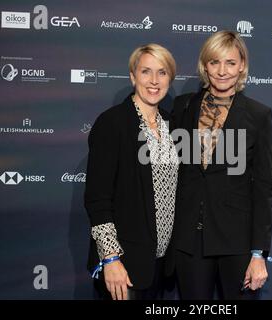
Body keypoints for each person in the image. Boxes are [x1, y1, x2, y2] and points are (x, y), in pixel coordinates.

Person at [170, 31, 272, 300]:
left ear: (242, 65)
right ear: (205, 65)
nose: (222, 71)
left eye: (230, 62)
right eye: (215, 62)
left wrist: (258, 253)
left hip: (237, 244)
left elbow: (263, 189)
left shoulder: (258, 115)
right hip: (189, 242)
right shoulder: (182, 107)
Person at [84, 44, 178, 300]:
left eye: (162, 72)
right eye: (146, 71)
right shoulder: (113, 123)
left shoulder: (173, 126)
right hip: (124, 266)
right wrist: (111, 258)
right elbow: (97, 199)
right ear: (132, 76)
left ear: (170, 78)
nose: (154, 81)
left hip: (161, 264)